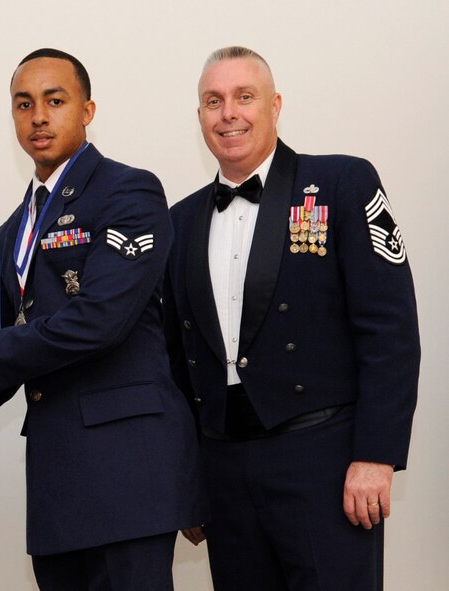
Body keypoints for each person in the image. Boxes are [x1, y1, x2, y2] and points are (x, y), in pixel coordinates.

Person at [0, 48, 206, 590]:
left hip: (128, 478)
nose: (38, 116)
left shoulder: (129, 191)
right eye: (23, 104)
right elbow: (8, 351)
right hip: (59, 488)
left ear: (87, 110)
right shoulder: (14, 231)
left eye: (55, 101)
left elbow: (98, 321)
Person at [163, 46, 420, 589]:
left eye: (243, 96)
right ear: (200, 117)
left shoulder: (342, 184)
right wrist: (187, 480)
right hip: (224, 471)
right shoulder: (180, 221)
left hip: (324, 461)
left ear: (275, 105)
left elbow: (389, 331)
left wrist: (376, 456)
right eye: (213, 101)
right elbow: (173, 366)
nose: (228, 113)